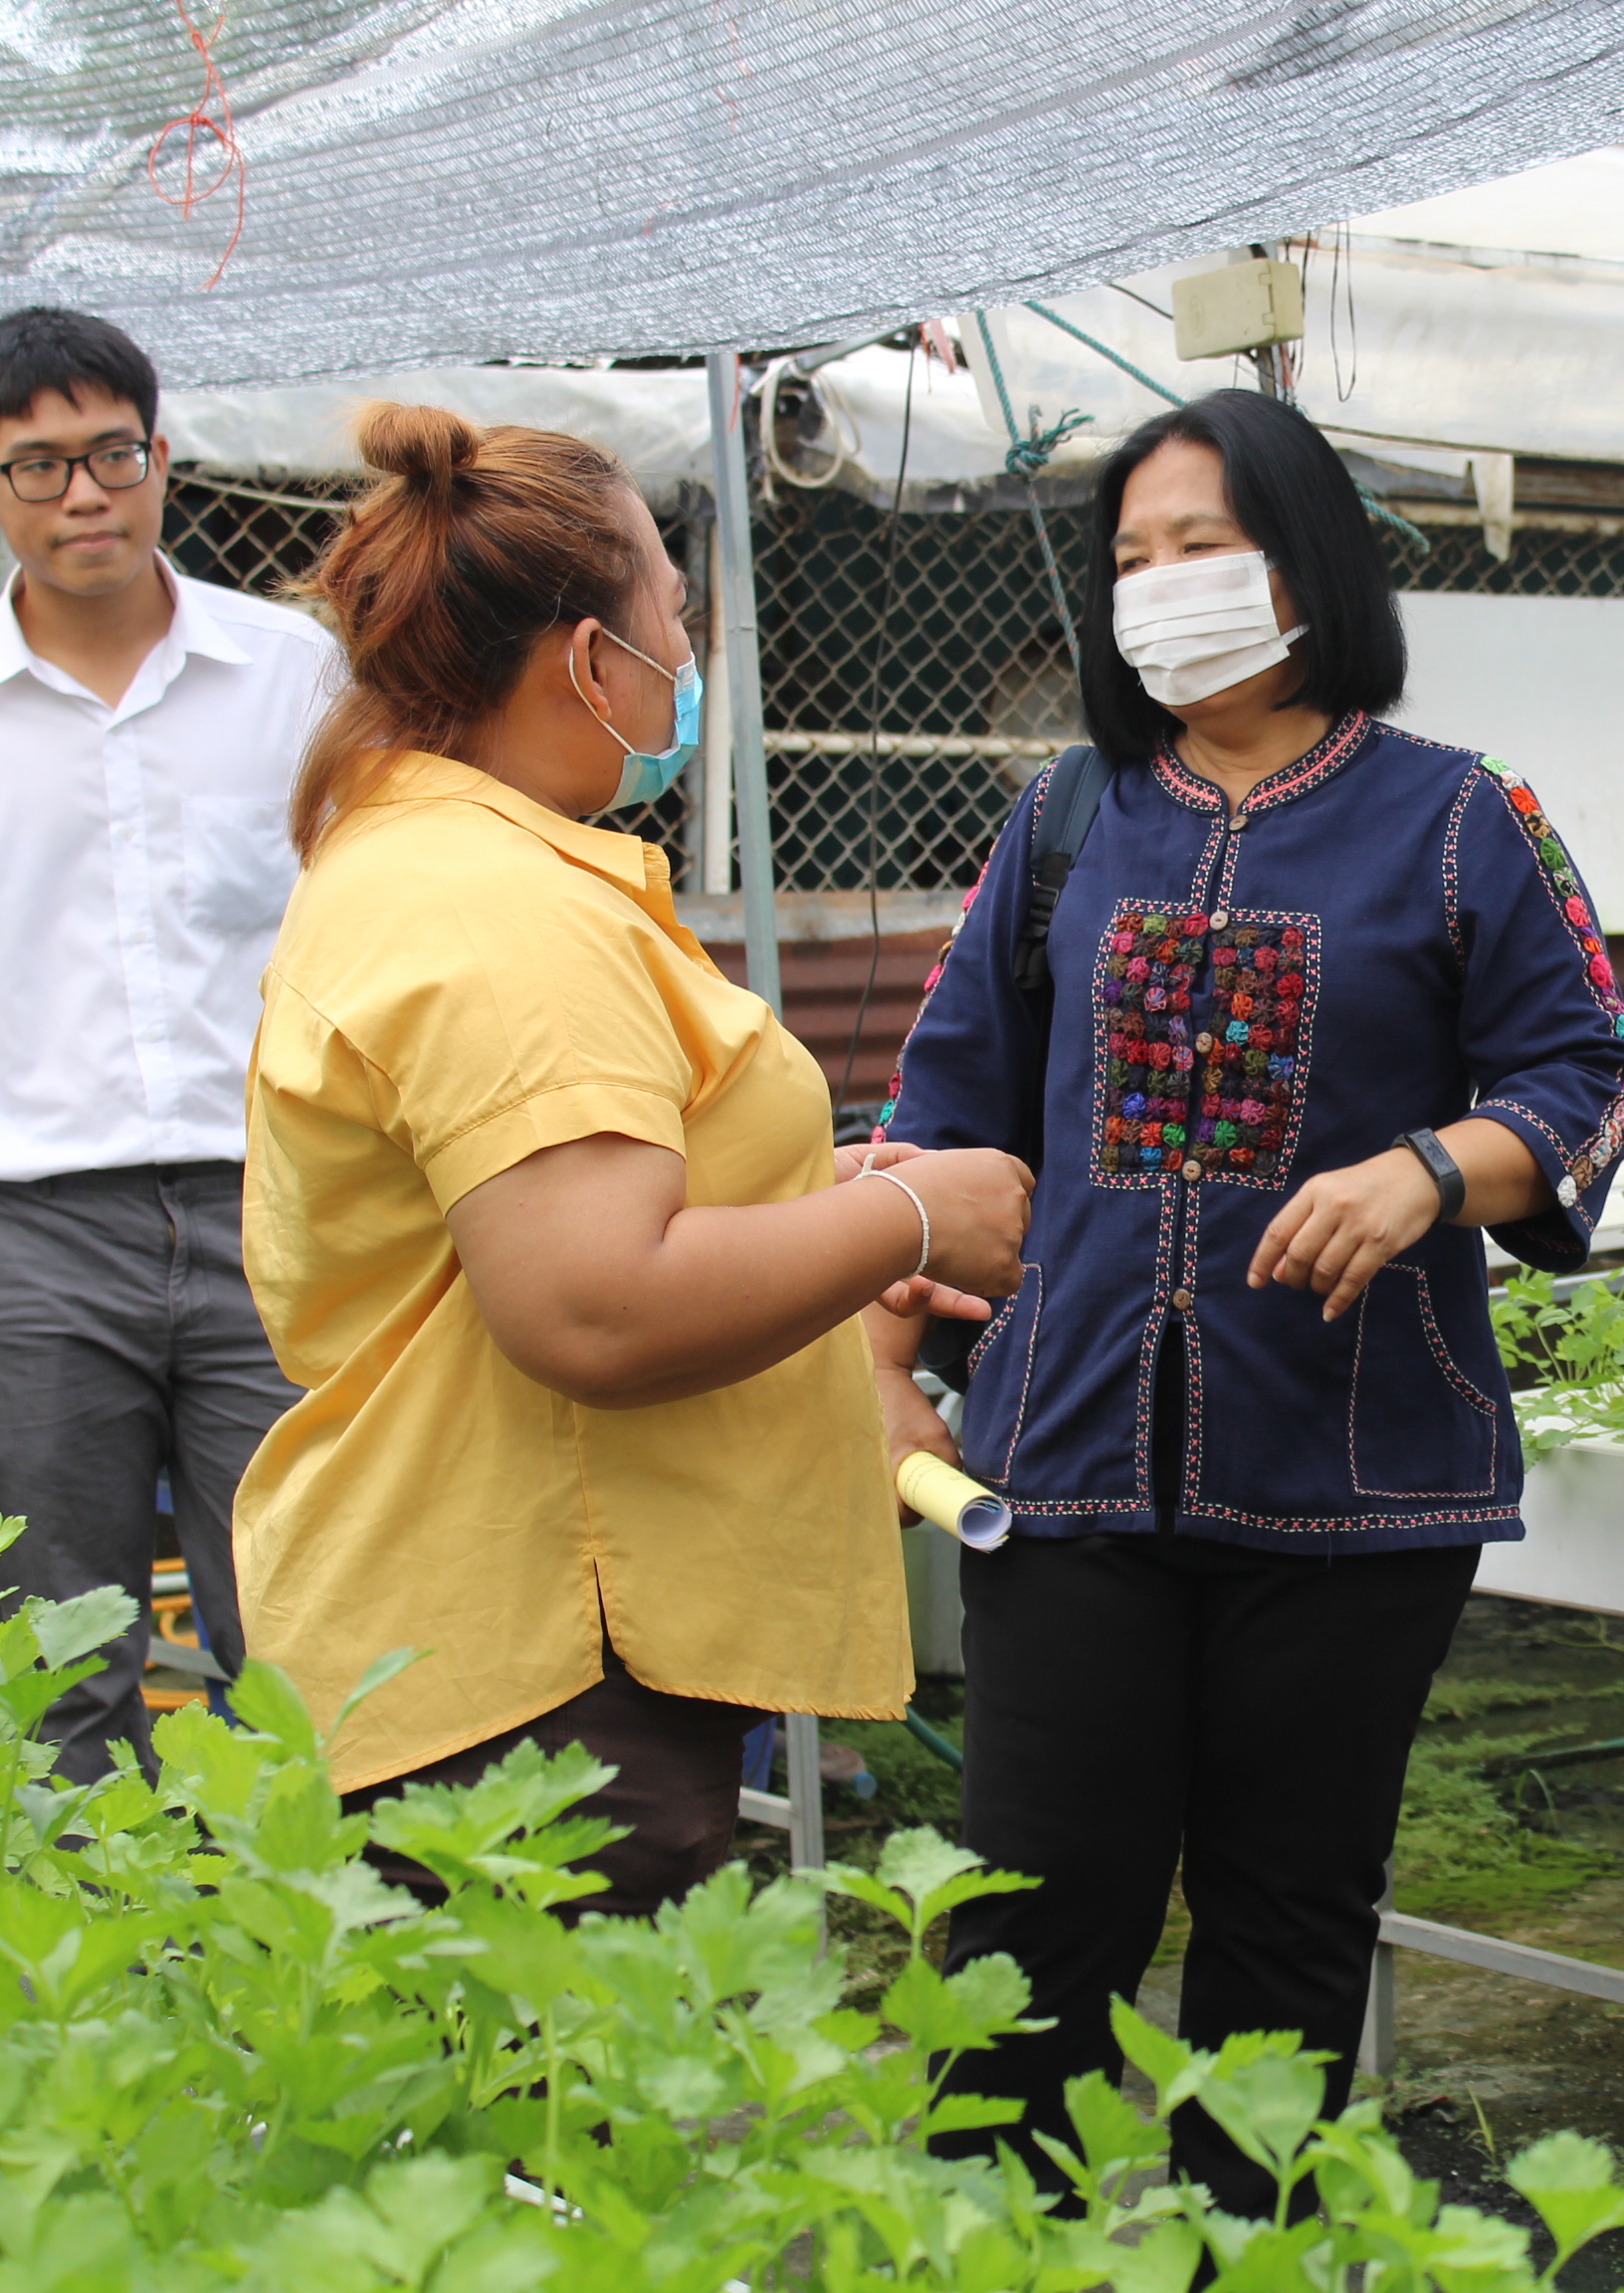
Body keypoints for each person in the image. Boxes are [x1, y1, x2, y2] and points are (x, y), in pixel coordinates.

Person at [874, 388, 1624, 2210]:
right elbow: (939, 1114)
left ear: (1303, 561)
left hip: (1356, 1494)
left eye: (1201, 544)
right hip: (1064, 1482)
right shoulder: (1065, 821)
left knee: (1283, 1959)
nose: (1163, 586)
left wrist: (1432, 1169)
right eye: (1133, 557)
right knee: (1019, 1962)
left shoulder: (1464, 820)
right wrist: (885, 1366)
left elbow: (1593, 1077)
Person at [235, 405, 1032, 1916]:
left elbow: (580, 1210)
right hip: (538, 1668)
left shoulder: (444, 862)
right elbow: (598, 1304)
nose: (691, 650)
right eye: (674, 613)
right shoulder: (498, 912)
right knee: (567, 2120)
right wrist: (914, 1213)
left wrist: (836, 1210)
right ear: (588, 660)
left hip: (498, 1638)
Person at [0, 308, 333, 1778]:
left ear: (163, 458)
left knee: (300, 1639)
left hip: (271, 1226)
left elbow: (373, 931)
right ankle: (94, 1985)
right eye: (39, 466)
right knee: (60, 1663)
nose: (85, 495)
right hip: (27, 1242)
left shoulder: (291, 678)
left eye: (113, 453)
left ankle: (291, 1977)